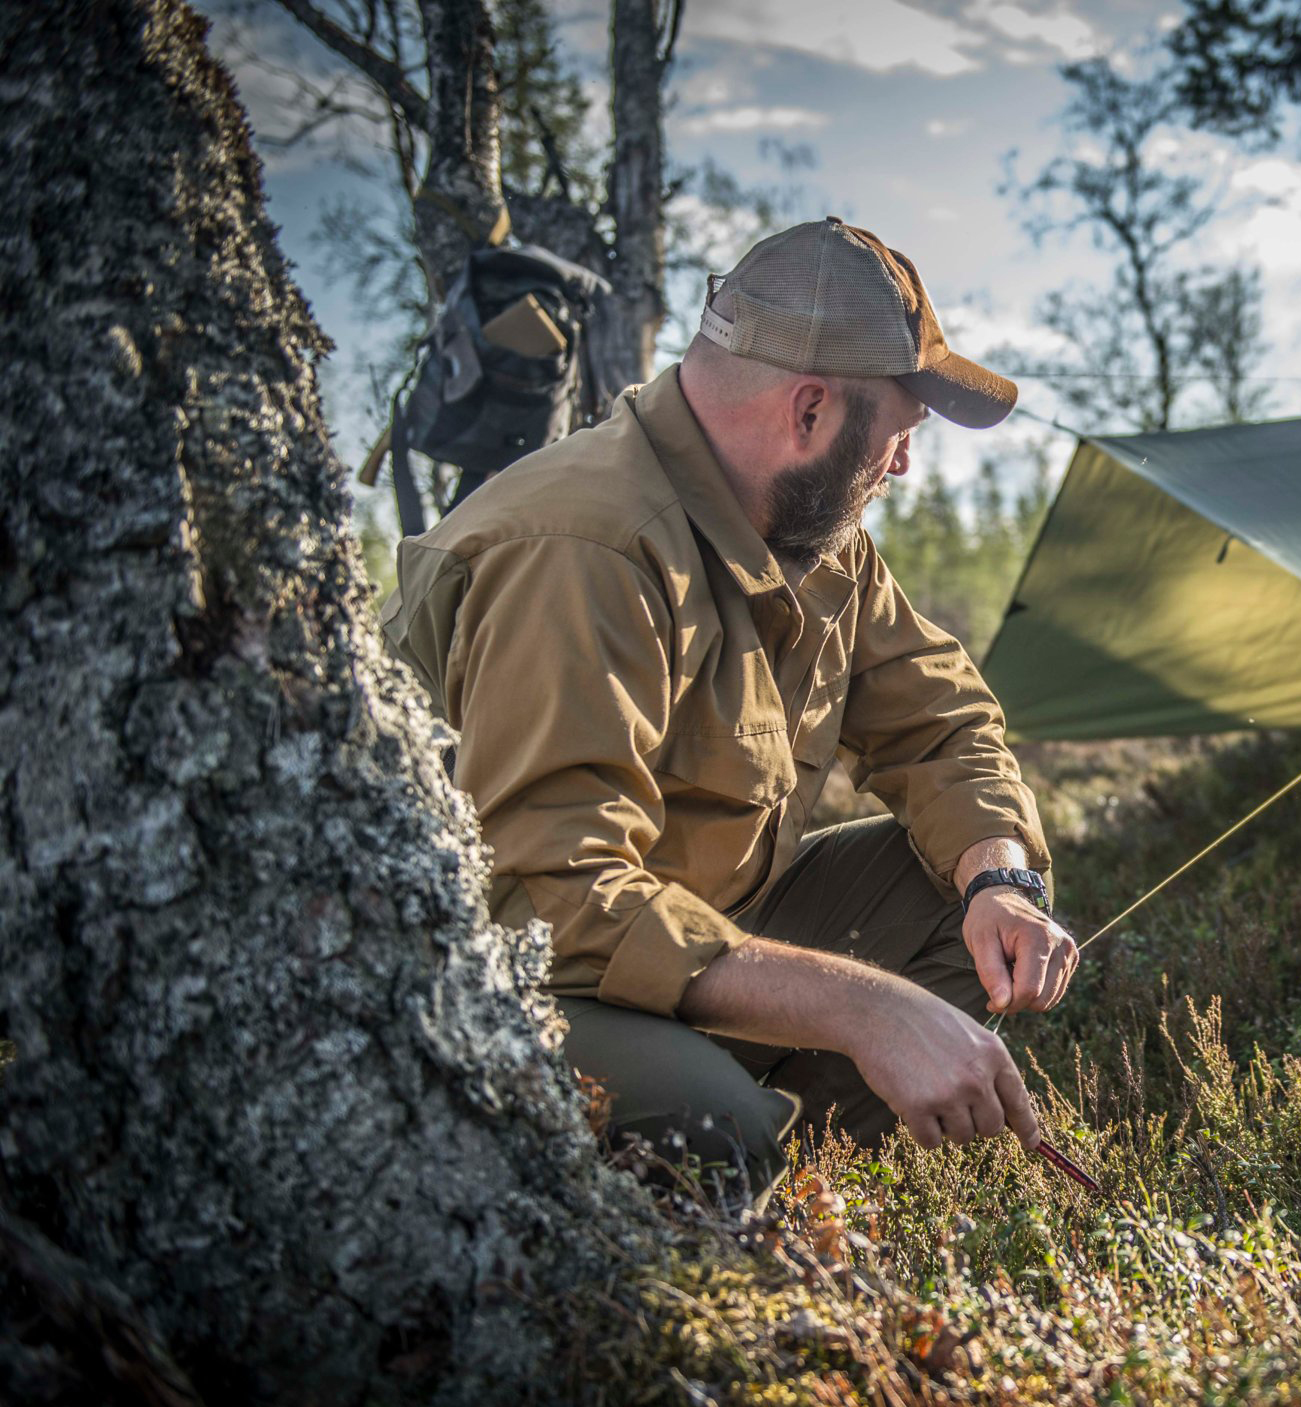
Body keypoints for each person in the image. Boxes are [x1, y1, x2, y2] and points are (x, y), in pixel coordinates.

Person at [380, 217, 1077, 1200]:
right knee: (711, 1129)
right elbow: (549, 900)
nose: (901, 468)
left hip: (678, 940)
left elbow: (939, 722)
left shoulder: (810, 535)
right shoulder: (582, 551)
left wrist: (999, 880)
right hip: (491, 979)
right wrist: (863, 1009)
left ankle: (805, 1205)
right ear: (809, 412)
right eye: (898, 435)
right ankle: (712, 1202)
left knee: (957, 901)